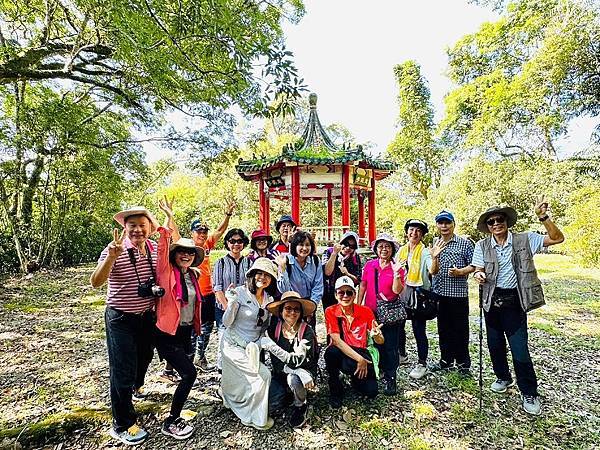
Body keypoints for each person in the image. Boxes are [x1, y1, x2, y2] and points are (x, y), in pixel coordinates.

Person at [471, 197, 564, 416]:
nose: (496, 224)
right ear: (487, 226)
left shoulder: (525, 239)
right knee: (494, 345)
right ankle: (503, 377)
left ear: (507, 221)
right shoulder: (482, 245)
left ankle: (529, 392)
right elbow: (477, 268)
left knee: (519, 348)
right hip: (492, 300)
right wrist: (478, 274)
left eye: (500, 219)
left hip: (516, 300)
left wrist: (543, 217)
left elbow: (557, 238)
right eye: (491, 221)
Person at [90, 206, 160, 446]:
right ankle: (122, 423)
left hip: (146, 317)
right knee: (122, 368)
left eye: (143, 225)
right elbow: (95, 282)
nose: (138, 230)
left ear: (150, 228)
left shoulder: (154, 249)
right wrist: (111, 256)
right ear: (125, 229)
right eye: (133, 226)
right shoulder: (115, 249)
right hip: (120, 317)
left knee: (145, 358)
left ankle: (135, 388)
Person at [165, 199, 235, 374]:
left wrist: (227, 214)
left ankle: (200, 357)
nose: (202, 234)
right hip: (190, 293)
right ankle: (181, 363)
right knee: (188, 328)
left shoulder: (207, 245)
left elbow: (220, 230)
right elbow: (173, 232)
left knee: (206, 327)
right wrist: (169, 214)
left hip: (208, 293)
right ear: (192, 232)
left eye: (204, 231)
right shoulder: (185, 245)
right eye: (199, 231)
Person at [154, 199, 205, 439]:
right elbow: (163, 247)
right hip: (167, 333)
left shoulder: (191, 276)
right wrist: (168, 217)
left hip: (185, 331)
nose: (185, 255)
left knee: (185, 372)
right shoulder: (166, 273)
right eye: (182, 252)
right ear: (175, 255)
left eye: (189, 252)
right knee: (190, 374)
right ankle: (171, 420)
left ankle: (177, 409)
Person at [220, 258, 283, 430]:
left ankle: (237, 402)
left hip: (252, 347)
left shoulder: (268, 298)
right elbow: (227, 322)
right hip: (233, 344)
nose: (262, 277)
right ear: (252, 275)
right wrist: (231, 302)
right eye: (259, 273)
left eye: (267, 275)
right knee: (262, 375)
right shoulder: (239, 292)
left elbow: (263, 327)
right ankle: (255, 417)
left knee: (247, 379)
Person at [325, 276, 384, 408]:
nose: (345, 296)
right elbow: (336, 340)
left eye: (349, 292)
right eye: (341, 292)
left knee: (371, 391)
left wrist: (377, 336)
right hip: (344, 351)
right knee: (331, 352)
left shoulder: (365, 311)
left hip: (361, 351)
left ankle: (354, 380)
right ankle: (335, 388)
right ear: (335, 295)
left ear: (354, 294)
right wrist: (360, 360)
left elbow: (380, 341)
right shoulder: (331, 311)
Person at [397, 219, 446, 381]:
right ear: (406, 232)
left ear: (423, 235)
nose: (414, 233)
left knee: (419, 330)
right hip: (403, 294)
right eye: (411, 229)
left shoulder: (425, 252)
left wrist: (435, 258)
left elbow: (432, 270)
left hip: (419, 296)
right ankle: (401, 354)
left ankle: (422, 363)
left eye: (418, 231)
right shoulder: (401, 251)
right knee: (399, 326)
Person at [357, 233, 405, 395]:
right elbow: (363, 285)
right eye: (381, 246)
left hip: (390, 312)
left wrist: (397, 274)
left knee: (391, 345)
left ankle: (391, 378)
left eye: (388, 246)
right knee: (375, 343)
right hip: (371, 311)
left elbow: (396, 291)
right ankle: (380, 370)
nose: (384, 249)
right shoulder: (370, 265)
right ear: (376, 249)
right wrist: (358, 306)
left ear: (392, 249)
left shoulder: (397, 267)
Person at [430, 211, 474, 375]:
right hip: (440, 293)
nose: (444, 226)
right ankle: (446, 360)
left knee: (461, 329)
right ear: (437, 225)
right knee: (443, 329)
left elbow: (475, 265)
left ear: (453, 224)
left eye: (447, 223)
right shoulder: (436, 242)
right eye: (440, 223)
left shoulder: (465, 244)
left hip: (458, 294)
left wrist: (461, 272)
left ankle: (463, 363)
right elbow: (433, 270)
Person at [266, 291, 317, 428]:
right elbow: (276, 362)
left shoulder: (306, 331)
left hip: (305, 375)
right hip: (281, 372)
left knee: (293, 379)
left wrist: (300, 372)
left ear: (301, 312)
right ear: (281, 311)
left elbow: (298, 360)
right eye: (288, 308)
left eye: (296, 309)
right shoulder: (274, 329)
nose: (292, 312)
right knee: (268, 407)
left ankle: (301, 405)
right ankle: (288, 394)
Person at [213, 228, 252, 370]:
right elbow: (217, 288)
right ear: (227, 243)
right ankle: (222, 369)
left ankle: (240, 368)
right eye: (232, 241)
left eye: (240, 241)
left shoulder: (248, 262)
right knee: (224, 338)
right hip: (223, 307)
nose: (236, 244)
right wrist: (227, 308)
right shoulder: (220, 263)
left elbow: (250, 286)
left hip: (243, 308)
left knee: (242, 337)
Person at [276, 230, 324, 329]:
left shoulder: (315, 261)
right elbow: (283, 289)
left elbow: (318, 285)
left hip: (309, 302)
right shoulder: (286, 261)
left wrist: (311, 307)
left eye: (307, 245)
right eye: (301, 245)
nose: (304, 248)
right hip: (291, 304)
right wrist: (282, 269)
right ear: (294, 246)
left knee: (308, 334)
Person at [322, 231, 362, 313]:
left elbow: (358, 280)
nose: (348, 248)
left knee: (345, 318)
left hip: (346, 294)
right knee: (331, 318)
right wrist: (334, 254)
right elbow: (327, 272)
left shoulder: (355, 258)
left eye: (352, 246)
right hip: (330, 292)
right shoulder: (329, 252)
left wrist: (347, 274)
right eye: (346, 244)